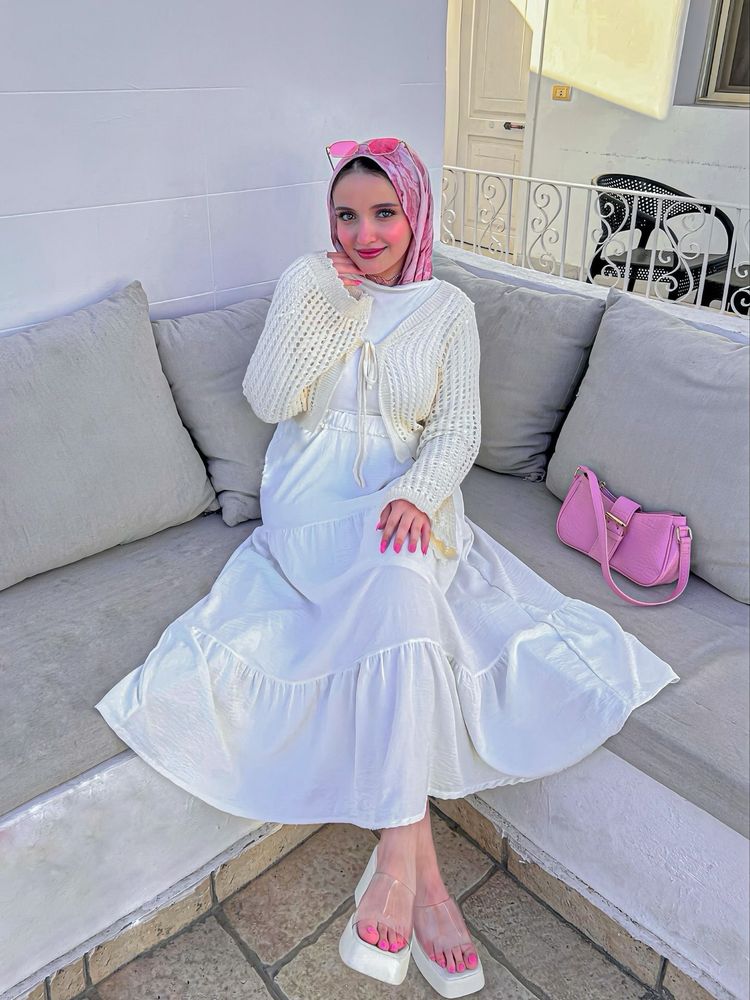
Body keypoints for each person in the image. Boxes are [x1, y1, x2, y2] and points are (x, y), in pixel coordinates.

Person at [94, 137, 680, 998]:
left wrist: (424, 491)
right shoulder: (312, 284)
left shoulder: (448, 309)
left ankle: (406, 874)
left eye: (383, 213)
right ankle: (425, 882)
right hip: (311, 488)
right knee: (394, 577)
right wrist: (319, 302)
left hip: (407, 486)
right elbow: (270, 401)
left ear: (414, 214)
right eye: (346, 215)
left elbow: (455, 433)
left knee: (406, 579)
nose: (365, 234)